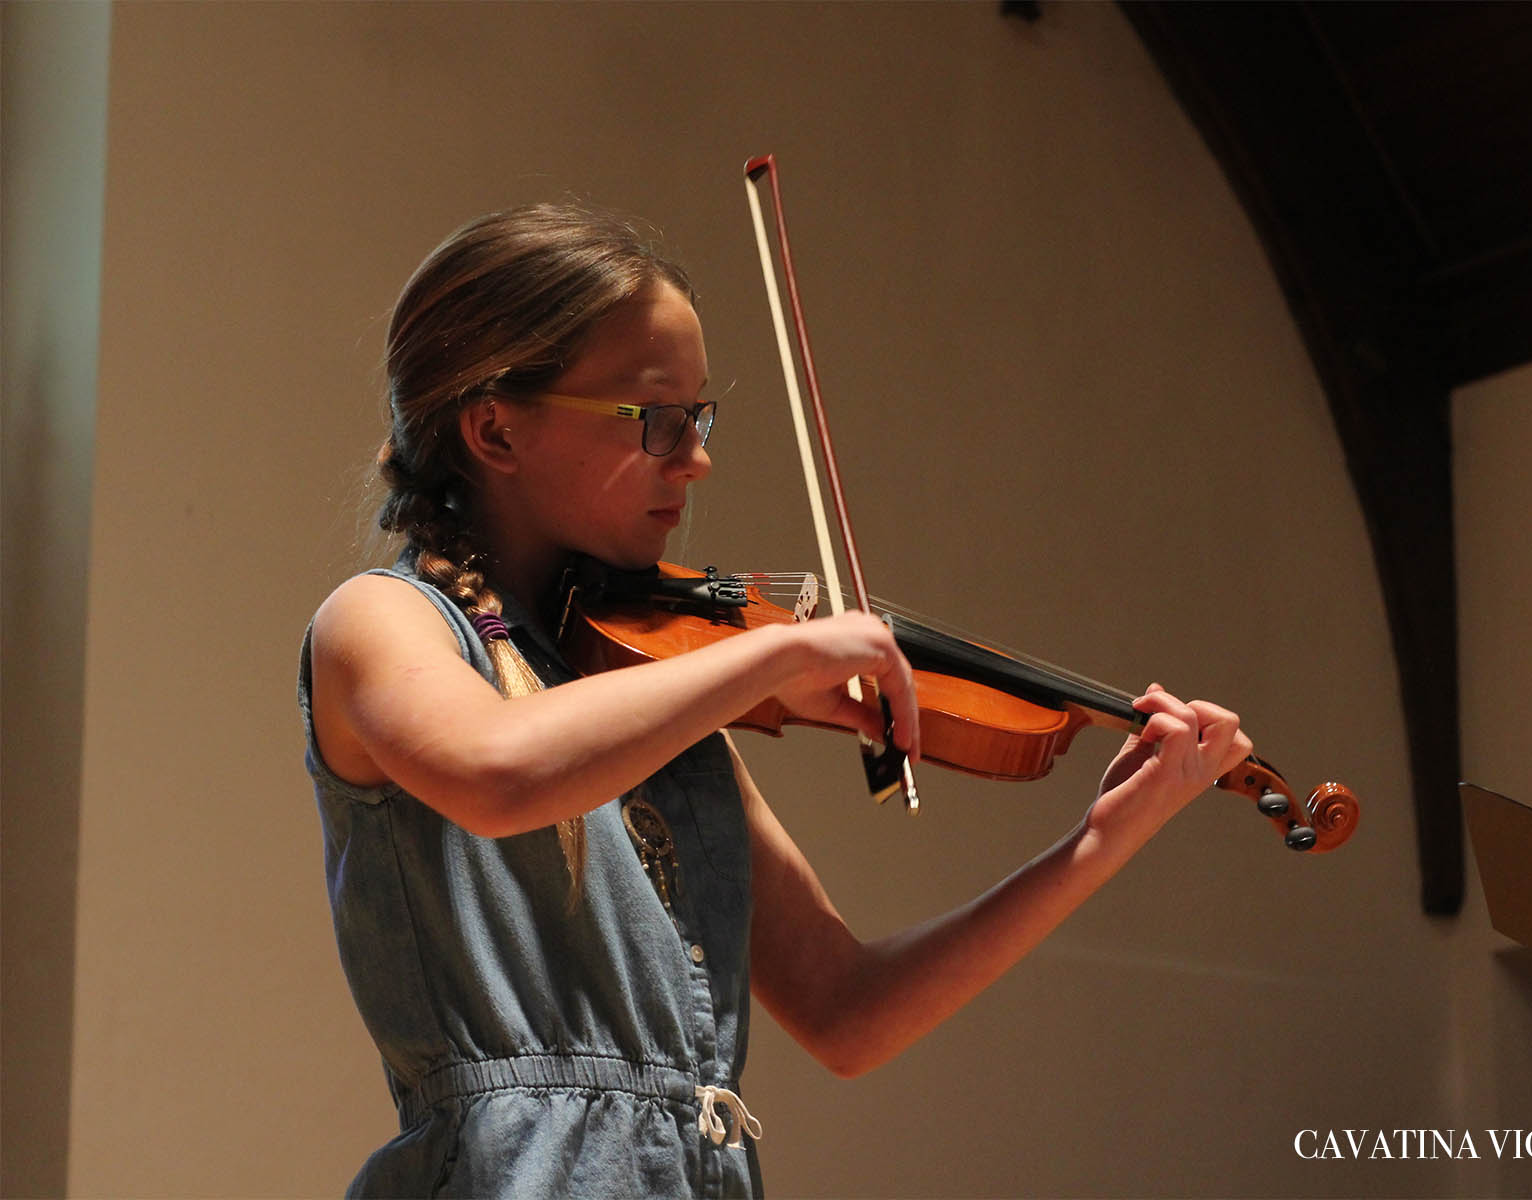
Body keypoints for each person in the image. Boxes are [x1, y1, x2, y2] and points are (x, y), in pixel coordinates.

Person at [299, 203, 1252, 1199]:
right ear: (496, 427)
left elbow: (849, 1011)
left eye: (700, 420)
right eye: (658, 420)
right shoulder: (383, 623)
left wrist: (1102, 840)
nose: (696, 457)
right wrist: (767, 663)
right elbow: (499, 773)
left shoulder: (648, 692)